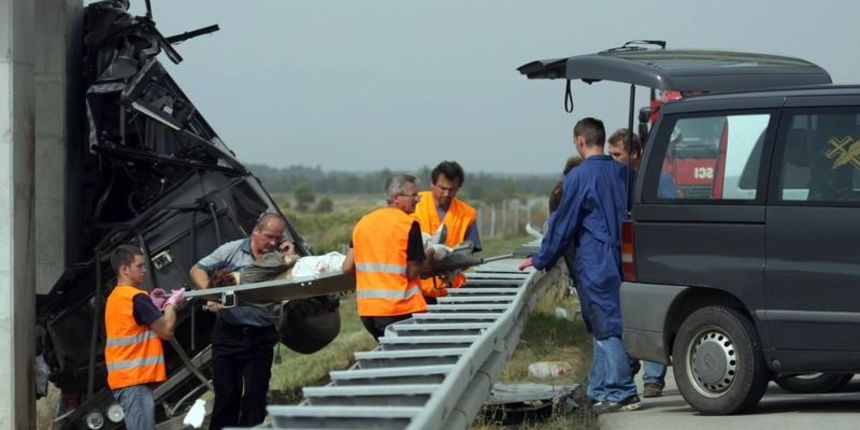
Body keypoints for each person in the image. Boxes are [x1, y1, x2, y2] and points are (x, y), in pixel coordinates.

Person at [519, 117, 641, 414]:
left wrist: (541, 258)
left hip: (595, 259)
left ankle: (623, 390)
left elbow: (563, 224)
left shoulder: (579, 177)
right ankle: (599, 389)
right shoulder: (626, 174)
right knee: (604, 323)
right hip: (624, 256)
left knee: (606, 325)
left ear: (579, 140)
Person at [189, 213, 293, 430]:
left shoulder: (278, 259)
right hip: (229, 334)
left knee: (255, 398)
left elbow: (299, 271)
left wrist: (289, 251)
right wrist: (212, 295)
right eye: (268, 237)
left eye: (277, 238)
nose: (272, 243)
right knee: (227, 395)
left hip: (261, 336)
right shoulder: (232, 250)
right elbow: (197, 269)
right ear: (256, 231)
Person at [607, 129, 668, 398]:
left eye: (617, 154)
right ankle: (631, 365)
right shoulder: (617, 181)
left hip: (652, 259)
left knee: (652, 318)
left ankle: (653, 378)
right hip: (626, 261)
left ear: (634, 153)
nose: (613, 160)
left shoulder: (657, 181)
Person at [104, 245, 185, 430]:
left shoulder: (116, 297)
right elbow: (166, 331)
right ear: (125, 269)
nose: (145, 270)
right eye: (139, 266)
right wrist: (171, 304)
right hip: (135, 382)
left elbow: (135, 325)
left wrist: (152, 308)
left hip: (126, 381)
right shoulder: (136, 298)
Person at [342, 174, 427, 340]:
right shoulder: (409, 225)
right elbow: (412, 272)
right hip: (399, 310)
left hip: (368, 313)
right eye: (414, 195)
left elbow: (347, 267)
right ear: (396, 198)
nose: (418, 199)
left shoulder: (363, 223)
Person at [412, 161, 481, 302]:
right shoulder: (413, 204)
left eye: (452, 189)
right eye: (442, 188)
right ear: (432, 183)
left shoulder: (467, 214)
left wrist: (453, 266)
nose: (447, 193)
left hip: (452, 290)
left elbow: (470, 252)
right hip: (415, 290)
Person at [607, 128, 678, 199]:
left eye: (617, 154)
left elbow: (669, 206)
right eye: (610, 154)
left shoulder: (658, 178)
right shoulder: (621, 175)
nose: (612, 158)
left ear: (634, 153)